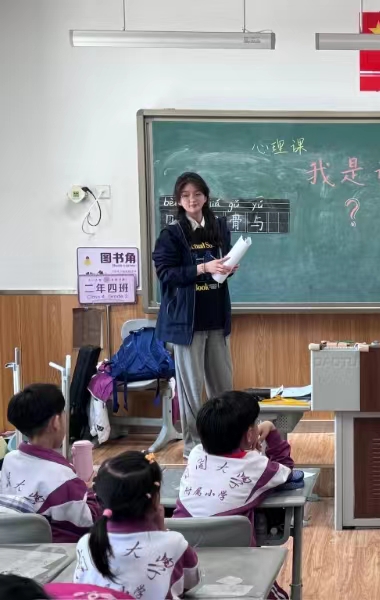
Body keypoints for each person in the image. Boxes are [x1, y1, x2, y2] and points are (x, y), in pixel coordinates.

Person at [172, 391, 293, 599]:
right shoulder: (256, 466)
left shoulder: (195, 455)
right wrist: (271, 431)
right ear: (249, 435)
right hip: (239, 570)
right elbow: (286, 469)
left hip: (185, 570)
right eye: (255, 424)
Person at [153, 172, 235, 459]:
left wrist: (227, 269)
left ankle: (225, 440)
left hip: (216, 317)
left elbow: (222, 263)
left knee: (223, 387)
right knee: (191, 390)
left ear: (206, 197)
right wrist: (202, 268)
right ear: (179, 200)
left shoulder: (218, 227)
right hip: (187, 324)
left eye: (197, 194)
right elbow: (166, 274)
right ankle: (194, 446)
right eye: (186, 195)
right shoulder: (171, 234)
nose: (192, 200)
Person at [73, 451, 199, 600]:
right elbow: (191, 581)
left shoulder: (86, 543)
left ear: (99, 500)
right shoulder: (174, 543)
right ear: (154, 500)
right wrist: (163, 531)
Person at [1, 384, 101, 541]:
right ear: (56, 421)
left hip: (13, 542)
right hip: (56, 547)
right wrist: (89, 492)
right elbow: (90, 521)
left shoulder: (9, 459)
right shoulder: (62, 477)